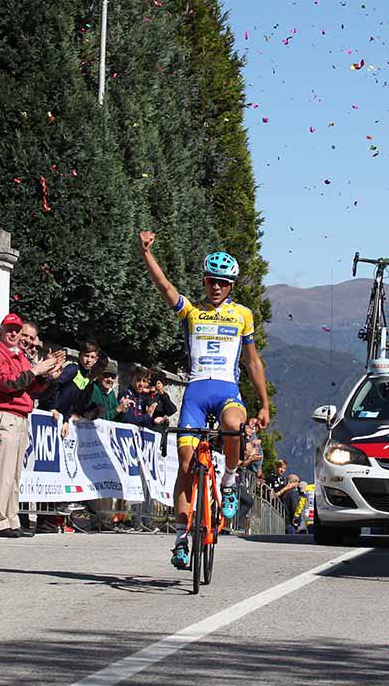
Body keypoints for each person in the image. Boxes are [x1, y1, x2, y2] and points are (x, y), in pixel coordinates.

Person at [138, 230, 270, 569]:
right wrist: (146, 253)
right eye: (212, 281)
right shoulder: (191, 312)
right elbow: (165, 287)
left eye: (223, 283)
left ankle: (228, 482)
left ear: (231, 286)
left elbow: (252, 361)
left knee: (232, 426)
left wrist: (264, 403)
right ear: (205, 281)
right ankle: (182, 538)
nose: (216, 287)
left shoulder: (242, 315)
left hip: (227, 391)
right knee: (185, 464)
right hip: (196, 393)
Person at [0, 313, 65, 538]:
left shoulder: (18, 355)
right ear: (0, 331)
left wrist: (48, 374)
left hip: (18, 416)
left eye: (16, 330)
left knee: (15, 473)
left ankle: (11, 518)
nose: (14, 333)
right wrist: (37, 371)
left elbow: (32, 387)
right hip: (4, 414)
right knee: (3, 470)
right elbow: (6, 383)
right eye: (10, 329)